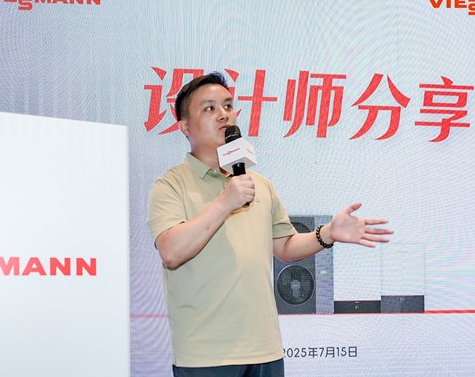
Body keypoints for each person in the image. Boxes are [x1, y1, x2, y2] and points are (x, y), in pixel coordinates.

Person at [147, 72, 393, 377]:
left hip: (265, 350)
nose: (224, 114)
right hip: (205, 354)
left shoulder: (258, 184)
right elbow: (171, 251)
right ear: (185, 126)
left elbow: (285, 246)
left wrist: (328, 233)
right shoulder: (171, 185)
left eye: (228, 106)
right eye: (209, 108)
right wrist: (224, 203)